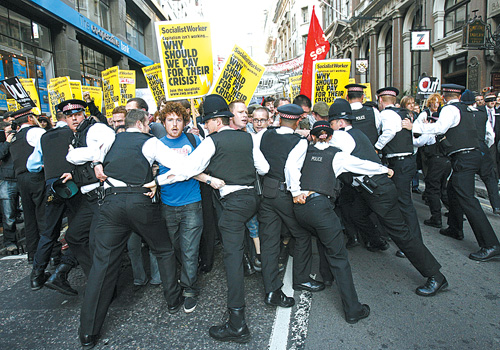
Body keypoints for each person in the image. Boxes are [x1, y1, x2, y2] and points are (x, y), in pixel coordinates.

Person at [158, 94, 269, 343]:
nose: (205, 126)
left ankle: (238, 324)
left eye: (206, 122)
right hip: (252, 199)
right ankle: (261, 276)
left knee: (231, 261)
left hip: (232, 203)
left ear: (215, 122)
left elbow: (186, 169)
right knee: (246, 242)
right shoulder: (248, 136)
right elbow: (264, 169)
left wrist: (162, 178)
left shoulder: (212, 141)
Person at [79, 109, 185, 348]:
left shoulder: (110, 139)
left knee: (103, 263)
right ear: (139, 123)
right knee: (163, 249)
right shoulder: (150, 143)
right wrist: (157, 181)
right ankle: (172, 299)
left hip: (111, 203)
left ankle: (88, 331)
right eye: (147, 124)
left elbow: (79, 155)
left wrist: (96, 162)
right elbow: (180, 165)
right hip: (140, 202)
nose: (149, 128)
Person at [328, 98, 448, 296]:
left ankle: (435, 275)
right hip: (369, 188)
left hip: (378, 189)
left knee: (400, 233)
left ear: (340, 122)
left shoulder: (341, 137)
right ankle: (377, 241)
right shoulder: (357, 133)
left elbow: (329, 153)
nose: (330, 128)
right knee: (355, 213)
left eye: (331, 123)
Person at [287, 121, 385, 323]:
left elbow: (290, 167)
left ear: (313, 136)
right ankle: (353, 310)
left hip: (300, 208)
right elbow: (361, 165)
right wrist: (384, 170)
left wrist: (296, 192)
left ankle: (327, 276)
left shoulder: (303, 151)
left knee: (320, 238)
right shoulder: (336, 155)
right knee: (339, 256)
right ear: (330, 136)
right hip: (320, 208)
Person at [413, 84, 500, 261]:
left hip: (464, 158)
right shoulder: (467, 109)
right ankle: (455, 227)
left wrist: (415, 128)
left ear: (445, 96)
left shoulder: (450, 109)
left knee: (468, 199)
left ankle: (490, 244)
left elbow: (439, 128)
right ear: (459, 96)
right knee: (453, 190)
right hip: (472, 155)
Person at [157, 101, 218, 313]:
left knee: (190, 249)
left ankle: (189, 288)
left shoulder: (195, 140)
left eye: (179, 120)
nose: (174, 124)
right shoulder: (156, 145)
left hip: (192, 203)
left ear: (185, 122)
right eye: (170, 120)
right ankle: (180, 279)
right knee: (175, 249)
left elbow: (206, 164)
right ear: (163, 122)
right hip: (167, 206)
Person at [257, 103, 324, 294]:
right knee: (302, 234)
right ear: (298, 121)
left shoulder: (264, 134)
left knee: (269, 240)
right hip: (284, 192)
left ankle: (271, 289)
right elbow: (291, 168)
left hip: (266, 190)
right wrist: (296, 193)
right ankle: (301, 280)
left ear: (279, 118)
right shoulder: (299, 142)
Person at [26, 107, 81, 295]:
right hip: (72, 185)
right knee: (79, 229)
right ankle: (62, 271)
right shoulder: (75, 133)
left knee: (49, 232)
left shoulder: (44, 137)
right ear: (67, 119)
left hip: (51, 185)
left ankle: (36, 275)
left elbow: (32, 166)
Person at [65, 99, 116, 277]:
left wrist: (76, 155)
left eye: (77, 115)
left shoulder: (95, 128)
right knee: (73, 236)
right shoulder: (77, 134)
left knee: (97, 244)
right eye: (70, 116)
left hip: (102, 194)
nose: (74, 119)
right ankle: (94, 278)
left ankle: (105, 285)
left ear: (84, 114)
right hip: (88, 197)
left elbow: (110, 140)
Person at [375, 87, 422, 258]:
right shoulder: (404, 113)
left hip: (400, 162)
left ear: (381, 100)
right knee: (400, 200)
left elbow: (389, 131)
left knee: (404, 202)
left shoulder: (387, 114)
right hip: (406, 160)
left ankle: (414, 243)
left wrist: (377, 147)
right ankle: (404, 237)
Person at [8, 107, 46, 264]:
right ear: (30, 118)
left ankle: (33, 254)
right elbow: (47, 151)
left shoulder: (15, 137)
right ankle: (50, 253)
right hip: (36, 176)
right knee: (44, 215)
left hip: (21, 180)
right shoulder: (36, 132)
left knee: (30, 218)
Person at [0, 113, 20, 253]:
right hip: (7, 180)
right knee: (8, 215)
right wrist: (7, 141)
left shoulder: (20, 139)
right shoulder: (3, 142)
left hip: (21, 177)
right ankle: (10, 242)